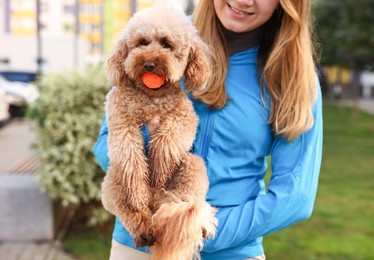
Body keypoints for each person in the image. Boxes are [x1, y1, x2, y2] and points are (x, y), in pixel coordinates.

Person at [94, 0, 323, 259]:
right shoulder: (160, 33)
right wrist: (146, 148)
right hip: (138, 243)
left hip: (230, 250)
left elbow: (295, 196)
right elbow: (105, 145)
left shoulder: (293, 77)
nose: (245, 1)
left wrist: (204, 233)